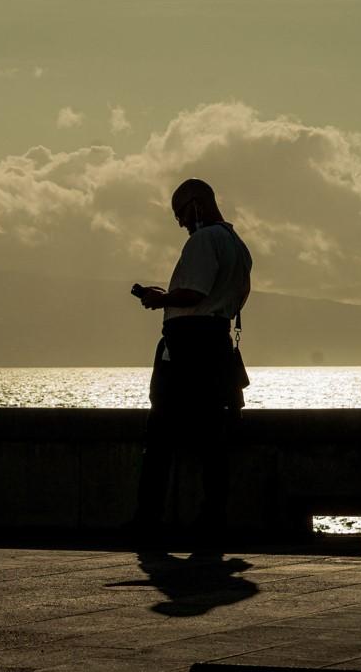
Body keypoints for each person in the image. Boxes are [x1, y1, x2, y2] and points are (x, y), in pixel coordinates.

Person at [131, 178, 252, 539]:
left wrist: (160, 298)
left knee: (160, 433)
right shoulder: (237, 244)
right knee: (212, 438)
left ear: (197, 204)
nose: (182, 223)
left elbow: (193, 293)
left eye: (181, 213)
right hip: (217, 343)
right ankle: (212, 518)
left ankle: (148, 520)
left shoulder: (203, 241)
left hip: (188, 346)